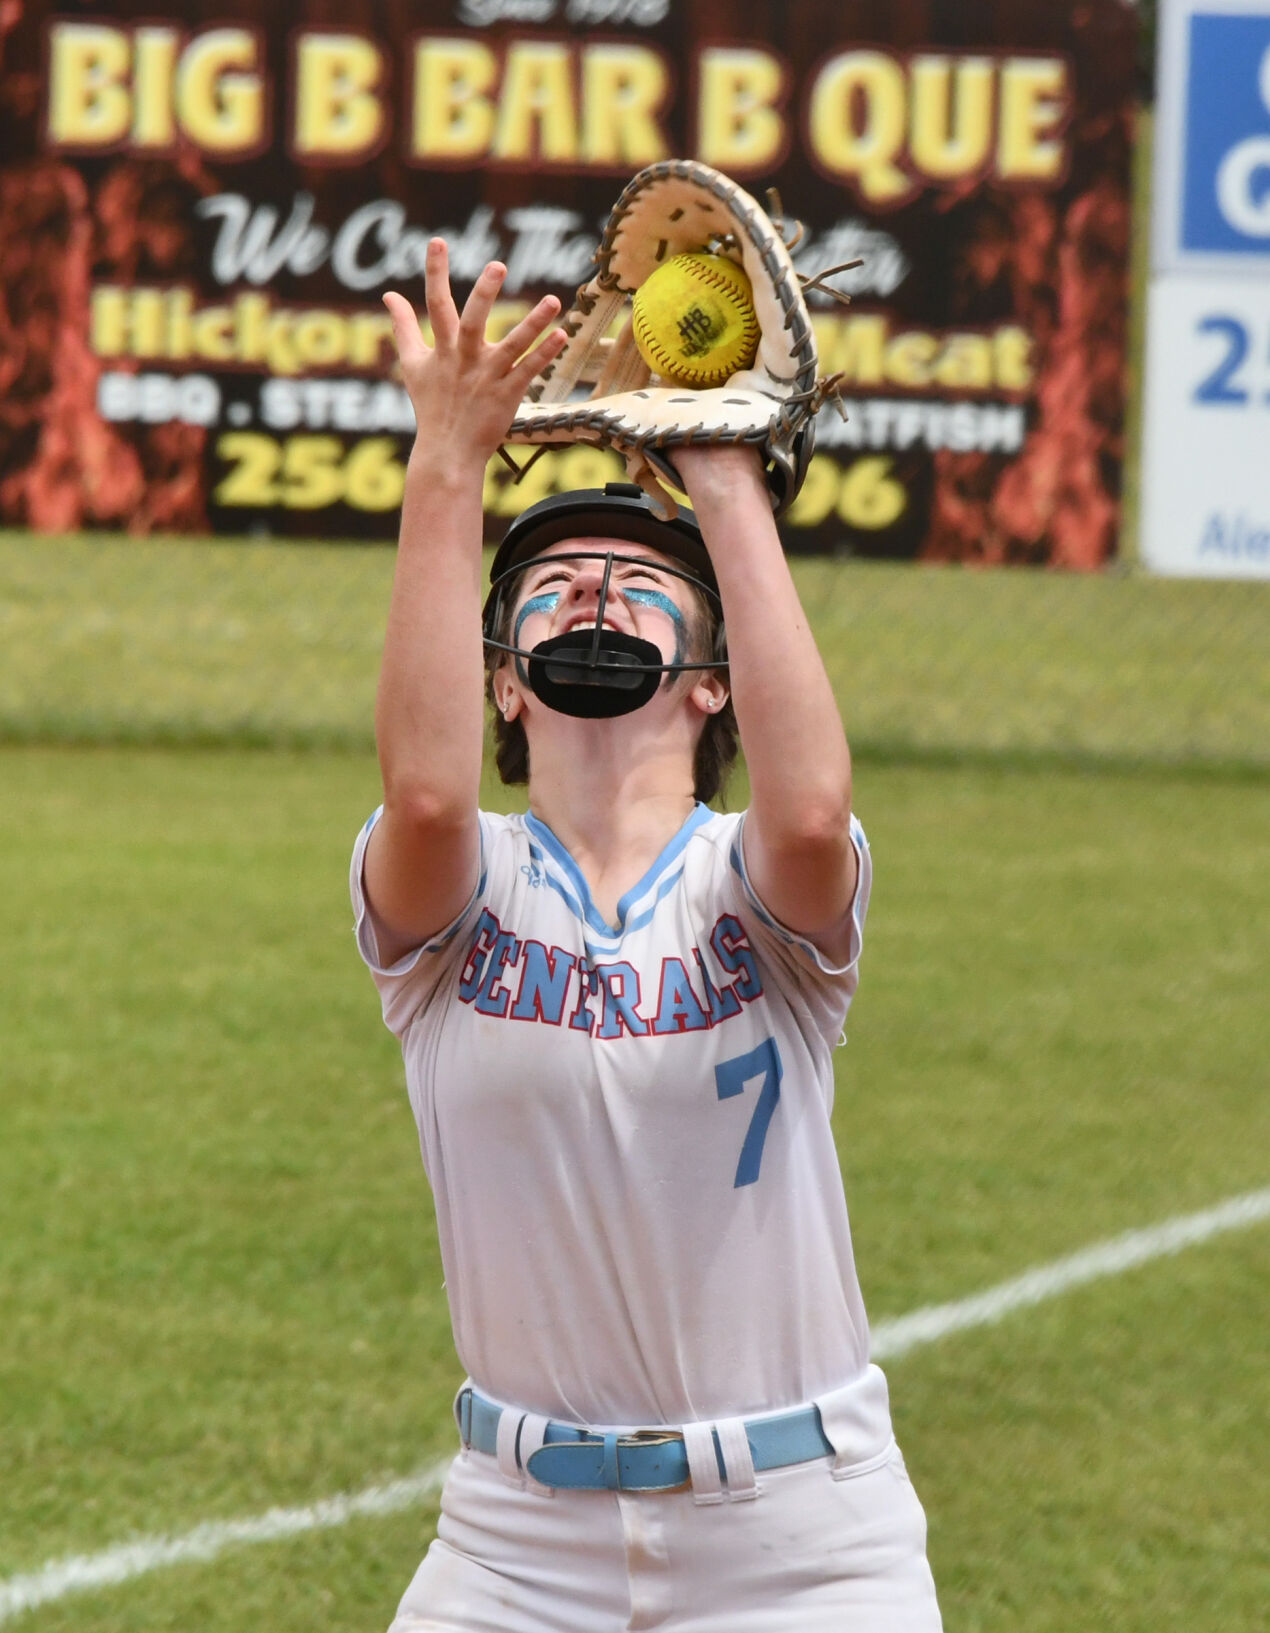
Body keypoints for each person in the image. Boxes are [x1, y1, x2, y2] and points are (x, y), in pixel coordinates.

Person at [351, 237, 943, 1632]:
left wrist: (724, 480)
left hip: (805, 1545)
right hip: (512, 1545)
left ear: (711, 679)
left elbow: (812, 812)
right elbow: (423, 791)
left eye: (637, 574)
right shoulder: (462, 897)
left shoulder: (753, 887)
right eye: (551, 579)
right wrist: (448, 460)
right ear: (503, 683)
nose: (593, 590)